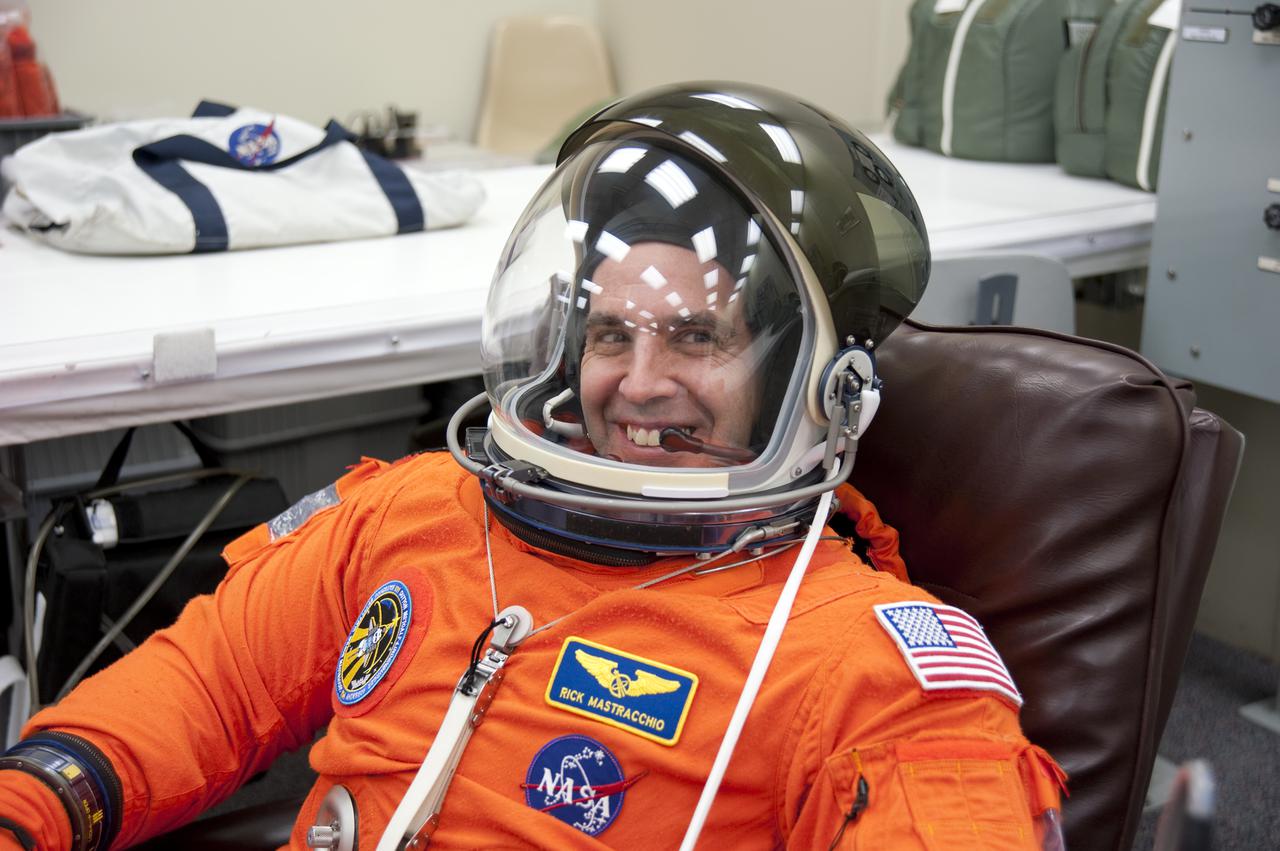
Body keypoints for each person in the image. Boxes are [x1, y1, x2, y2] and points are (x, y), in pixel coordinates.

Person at [0, 82, 1067, 851]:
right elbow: (205, 684)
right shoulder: (416, 513)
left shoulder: (860, 663)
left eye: (695, 338)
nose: (637, 382)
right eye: (609, 335)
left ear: (809, 378)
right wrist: (37, 797)